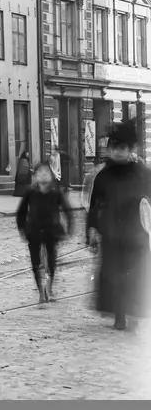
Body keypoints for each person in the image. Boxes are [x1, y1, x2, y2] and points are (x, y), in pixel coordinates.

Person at [85, 118, 151, 331]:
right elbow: (94, 204)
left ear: (131, 149)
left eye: (122, 148)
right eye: (113, 148)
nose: (117, 153)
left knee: (134, 277)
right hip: (112, 234)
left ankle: (134, 313)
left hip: (136, 234)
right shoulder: (103, 175)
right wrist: (92, 229)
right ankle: (120, 315)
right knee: (114, 277)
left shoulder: (143, 173)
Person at [16, 162, 73, 303]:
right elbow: (21, 212)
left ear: (51, 176)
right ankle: (41, 291)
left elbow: (67, 210)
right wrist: (22, 229)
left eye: (46, 172)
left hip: (51, 231)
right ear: (34, 176)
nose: (43, 174)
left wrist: (69, 228)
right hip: (33, 231)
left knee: (51, 259)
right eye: (39, 172)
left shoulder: (56, 192)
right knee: (35, 262)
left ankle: (49, 286)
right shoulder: (30, 192)